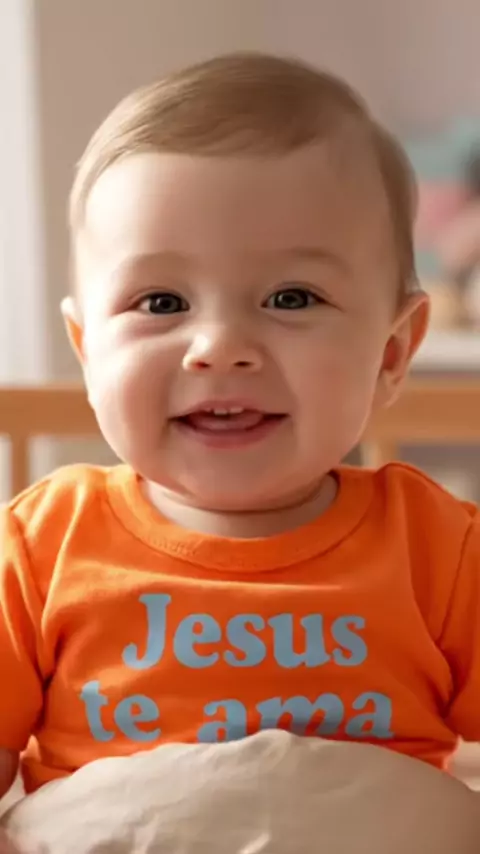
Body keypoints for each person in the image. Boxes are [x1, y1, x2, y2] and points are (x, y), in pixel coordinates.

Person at [0, 52, 479, 802]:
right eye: (161, 303)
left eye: (291, 298)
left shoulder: (444, 556)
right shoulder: (36, 555)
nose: (220, 346)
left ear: (391, 353)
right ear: (89, 352)